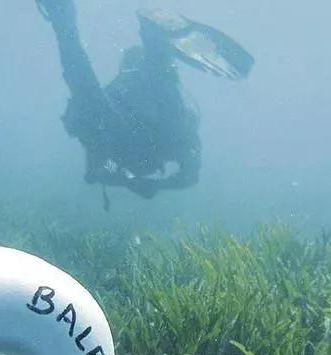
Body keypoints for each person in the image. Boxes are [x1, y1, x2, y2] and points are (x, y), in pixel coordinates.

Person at [36, 0, 253, 204]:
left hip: (126, 133)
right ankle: (65, 23)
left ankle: (64, 22)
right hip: (145, 135)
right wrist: (147, 184)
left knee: (88, 97)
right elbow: (190, 175)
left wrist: (134, 182)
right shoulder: (169, 114)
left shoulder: (123, 94)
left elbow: (96, 171)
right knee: (89, 96)